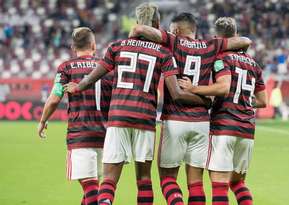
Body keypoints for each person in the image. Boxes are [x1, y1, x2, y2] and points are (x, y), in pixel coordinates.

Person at [64, 3, 210, 205]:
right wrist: (204, 100)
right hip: (145, 119)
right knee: (144, 180)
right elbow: (176, 93)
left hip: (118, 117)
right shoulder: (163, 53)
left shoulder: (117, 47)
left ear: (136, 23)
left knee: (109, 181)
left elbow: (92, 77)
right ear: (157, 24)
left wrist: (78, 87)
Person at [129, 12, 252, 205]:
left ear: (176, 30)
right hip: (202, 123)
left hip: (175, 120)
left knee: (168, 179)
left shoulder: (173, 41)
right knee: (196, 184)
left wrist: (131, 41)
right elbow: (244, 41)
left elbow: (139, 29)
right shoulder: (211, 45)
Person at [179, 17, 267, 205]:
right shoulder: (254, 64)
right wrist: (242, 100)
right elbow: (262, 101)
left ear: (217, 37)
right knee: (238, 183)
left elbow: (222, 87)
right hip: (247, 130)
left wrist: (193, 88)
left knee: (219, 185)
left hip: (224, 127)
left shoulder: (221, 58)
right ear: (235, 35)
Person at [37, 27, 112, 205]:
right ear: (94, 45)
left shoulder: (66, 67)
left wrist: (43, 120)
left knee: (90, 186)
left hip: (80, 135)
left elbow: (55, 98)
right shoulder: (108, 67)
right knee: (94, 187)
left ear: (73, 47)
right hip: (107, 136)